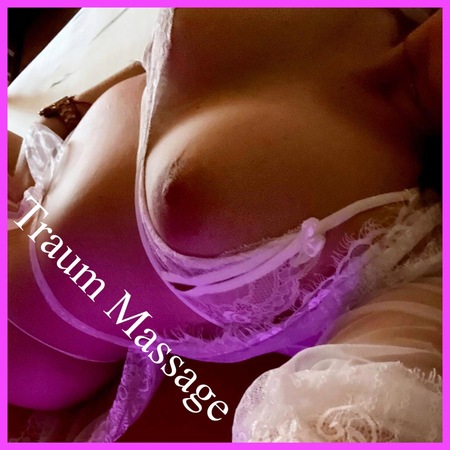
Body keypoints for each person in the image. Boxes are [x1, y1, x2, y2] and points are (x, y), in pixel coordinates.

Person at [8, 8, 441, 442]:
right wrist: (64, 113)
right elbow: (160, 60)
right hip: (41, 161)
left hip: (26, 326)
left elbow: (370, 408)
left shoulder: (414, 242)